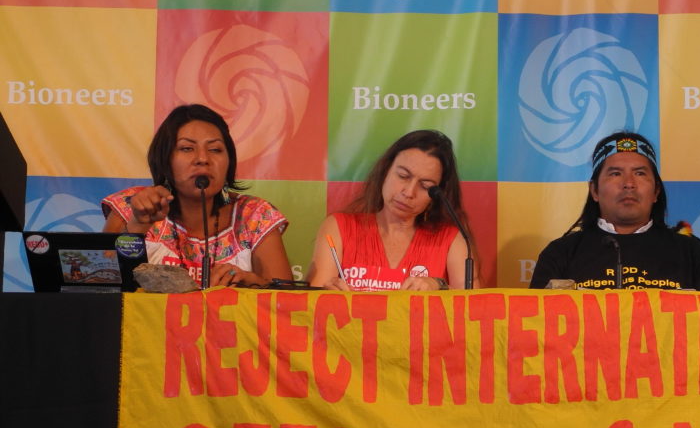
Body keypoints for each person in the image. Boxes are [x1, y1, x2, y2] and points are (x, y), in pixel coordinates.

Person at [102, 103, 291, 288]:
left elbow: (287, 303)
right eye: (187, 148)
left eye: (215, 149)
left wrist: (252, 282)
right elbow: (100, 285)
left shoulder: (254, 216)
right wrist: (138, 227)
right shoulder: (132, 207)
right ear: (164, 158)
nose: (203, 159)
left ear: (229, 161)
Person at [529, 131, 700, 291]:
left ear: (656, 191)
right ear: (594, 191)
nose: (629, 184)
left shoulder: (693, 254)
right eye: (615, 173)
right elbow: (538, 329)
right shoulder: (560, 253)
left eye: (640, 173)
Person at [308, 129, 469, 291]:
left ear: (437, 194)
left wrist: (438, 285)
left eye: (425, 186)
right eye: (403, 176)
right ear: (385, 171)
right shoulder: (338, 227)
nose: (409, 192)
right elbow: (313, 303)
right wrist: (330, 294)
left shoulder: (451, 239)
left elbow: (472, 307)